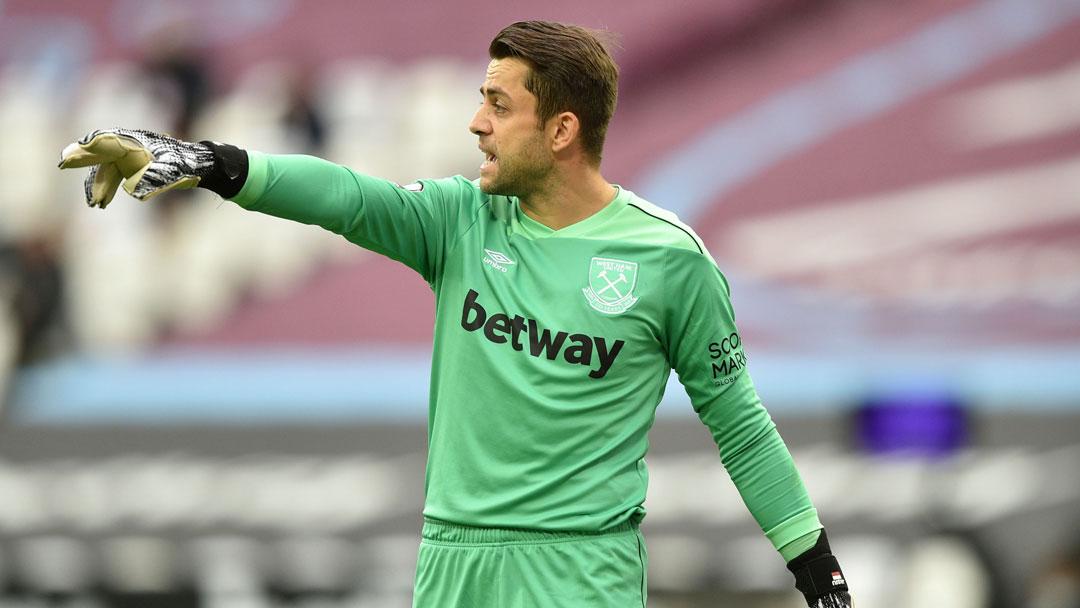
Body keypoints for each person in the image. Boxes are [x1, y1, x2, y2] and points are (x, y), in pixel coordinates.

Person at [59, 20, 852, 608]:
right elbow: (344, 196)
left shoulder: (669, 260)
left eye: (499, 106)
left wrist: (813, 565)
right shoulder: (458, 221)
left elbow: (740, 423)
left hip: (577, 572)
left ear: (562, 130)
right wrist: (209, 161)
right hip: (449, 565)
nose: (476, 123)